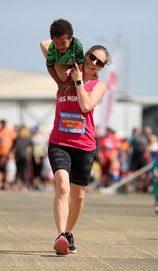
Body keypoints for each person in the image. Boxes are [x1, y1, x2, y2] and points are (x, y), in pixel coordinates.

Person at [41, 41, 110, 255]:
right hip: (59, 143)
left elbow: (86, 106)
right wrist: (73, 51)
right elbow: (44, 44)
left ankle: (69, 233)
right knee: (62, 187)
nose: (94, 63)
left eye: (99, 63)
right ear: (87, 55)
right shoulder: (64, 71)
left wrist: (79, 81)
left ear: (101, 67)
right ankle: (60, 235)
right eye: (92, 57)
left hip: (84, 145)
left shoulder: (98, 86)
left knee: (78, 197)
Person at [40, 18, 84, 94]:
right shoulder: (52, 48)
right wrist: (59, 83)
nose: (60, 47)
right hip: (61, 62)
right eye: (56, 43)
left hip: (75, 64)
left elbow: (80, 65)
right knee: (43, 44)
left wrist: (71, 82)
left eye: (63, 43)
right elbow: (50, 67)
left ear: (70, 38)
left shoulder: (77, 44)